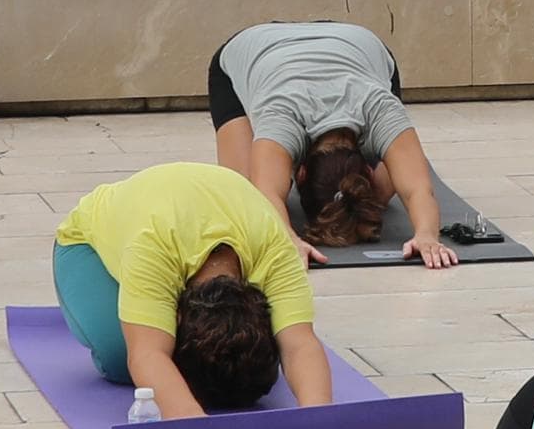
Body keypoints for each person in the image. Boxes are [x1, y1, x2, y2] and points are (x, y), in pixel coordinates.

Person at [50, 161, 336, 416]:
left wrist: (317, 417)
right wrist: (193, 424)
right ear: (177, 317)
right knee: (122, 357)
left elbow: (299, 343)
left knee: (237, 361)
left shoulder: (273, 246)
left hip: (198, 208)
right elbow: (146, 354)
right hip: (86, 245)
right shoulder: (153, 247)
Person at [208, 22, 463, 268]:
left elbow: (418, 188)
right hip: (252, 47)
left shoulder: (379, 106)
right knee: (243, 195)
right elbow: (264, 192)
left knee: (396, 175)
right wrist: (287, 239)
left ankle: (390, 162)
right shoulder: (281, 117)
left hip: (357, 45)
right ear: (299, 173)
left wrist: (427, 235)